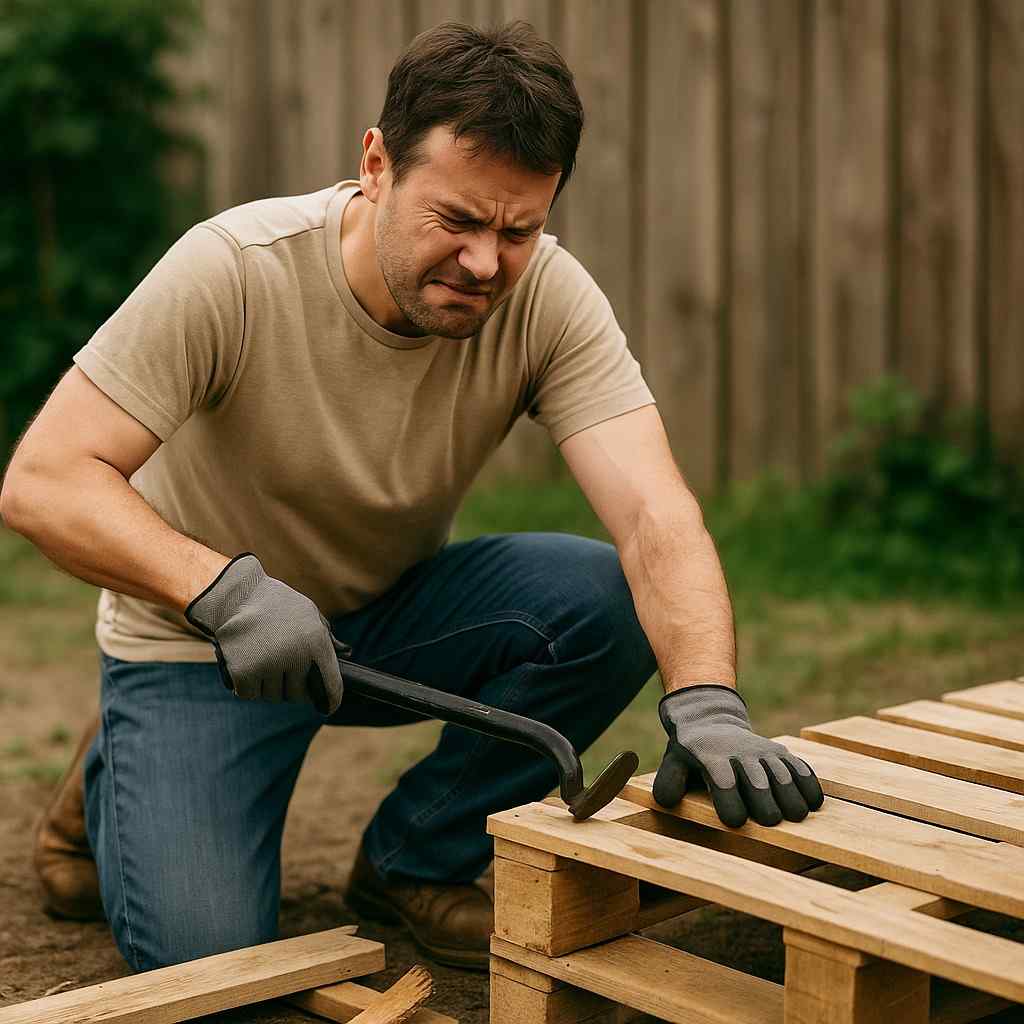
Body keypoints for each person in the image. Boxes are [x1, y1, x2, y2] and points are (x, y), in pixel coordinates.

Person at [0, 20, 824, 975]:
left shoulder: (546, 298)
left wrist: (709, 698)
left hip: (384, 621)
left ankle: (414, 863)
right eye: (460, 221)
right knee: (212, 963)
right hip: (207, 639)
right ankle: (113, 773)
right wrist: (222, 592)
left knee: (598, 599)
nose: (486, 261)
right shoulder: (235, 269)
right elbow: (46, 480)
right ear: (378, 165)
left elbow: (654, 513)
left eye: (519, 229)